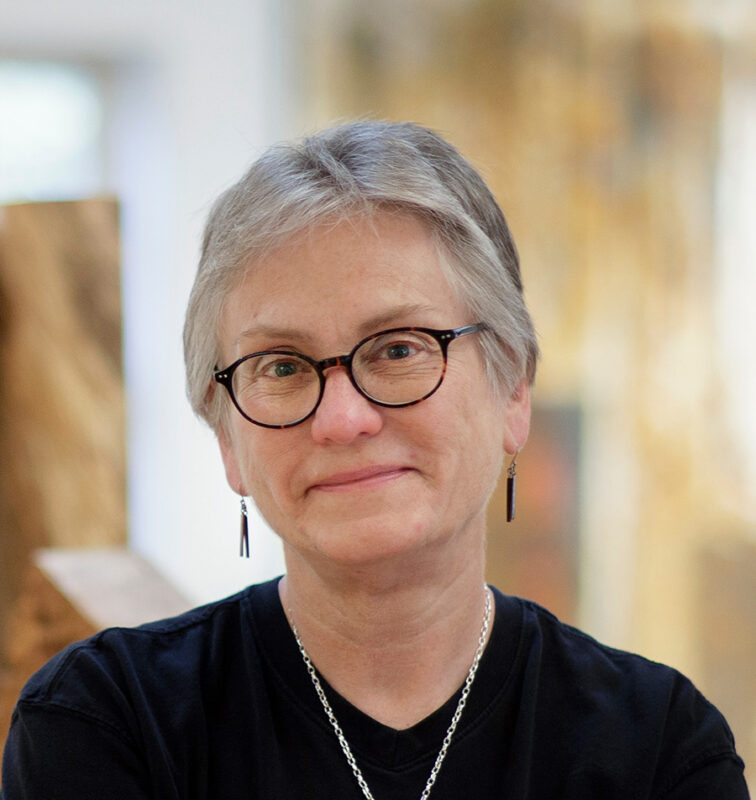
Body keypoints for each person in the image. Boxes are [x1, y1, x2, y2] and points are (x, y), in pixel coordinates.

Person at [1, 120, 748, 799]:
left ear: (513, 390)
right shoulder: (105, 722)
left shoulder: (658, 748)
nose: (343, 418)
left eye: (398, 349)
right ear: (227, 438)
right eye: (283, 366)